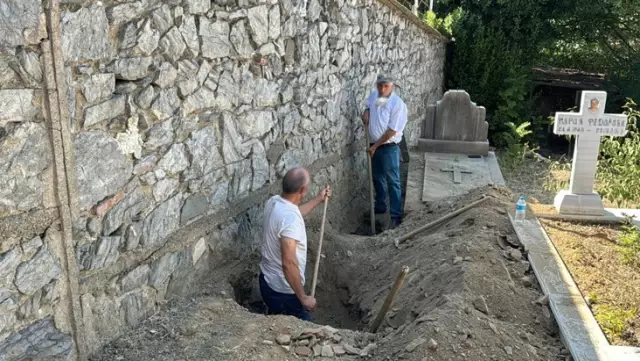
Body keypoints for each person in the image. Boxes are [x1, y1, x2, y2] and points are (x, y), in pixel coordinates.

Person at [259, 167, 332, 320]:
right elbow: (289, 263)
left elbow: (293, 215)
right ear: (303, 189)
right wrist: (303, 298)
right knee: (305, 330)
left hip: (266, 281)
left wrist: (318, 199)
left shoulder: (273, 202)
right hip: (284, 292)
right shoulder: (289, 219)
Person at [361, 75, 408, 228]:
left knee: (393, 181)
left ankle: (396, 216)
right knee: (377, 177)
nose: (382, 89)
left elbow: (392, 131)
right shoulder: (374, 95)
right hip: (374, 144)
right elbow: (369, 105)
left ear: (392, 86)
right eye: (380, 86)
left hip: (389, 147)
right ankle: (380, 206)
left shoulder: (397, 105)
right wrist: (367, 112)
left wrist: (375, 147)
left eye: (385, 86)